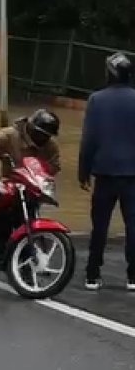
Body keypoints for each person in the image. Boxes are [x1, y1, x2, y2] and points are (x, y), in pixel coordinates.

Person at [0, 107, 61, 262]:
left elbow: (55, 165)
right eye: (41, 134)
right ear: (32, 129)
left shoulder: (50, 146)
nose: (43, 139)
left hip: (32, 188)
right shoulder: (12, 135)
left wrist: (45, 173)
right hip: (9, 184)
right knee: (0, 211)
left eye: (46, 136)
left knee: (30, 212)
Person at [80, 51, 135, 291]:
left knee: (99, 226)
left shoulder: (96, 100)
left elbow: (89, 139)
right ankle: (133, 276)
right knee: (133, 226)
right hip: (132, 175)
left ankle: (93, 273)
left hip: (103, 173)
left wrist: (83, 172)